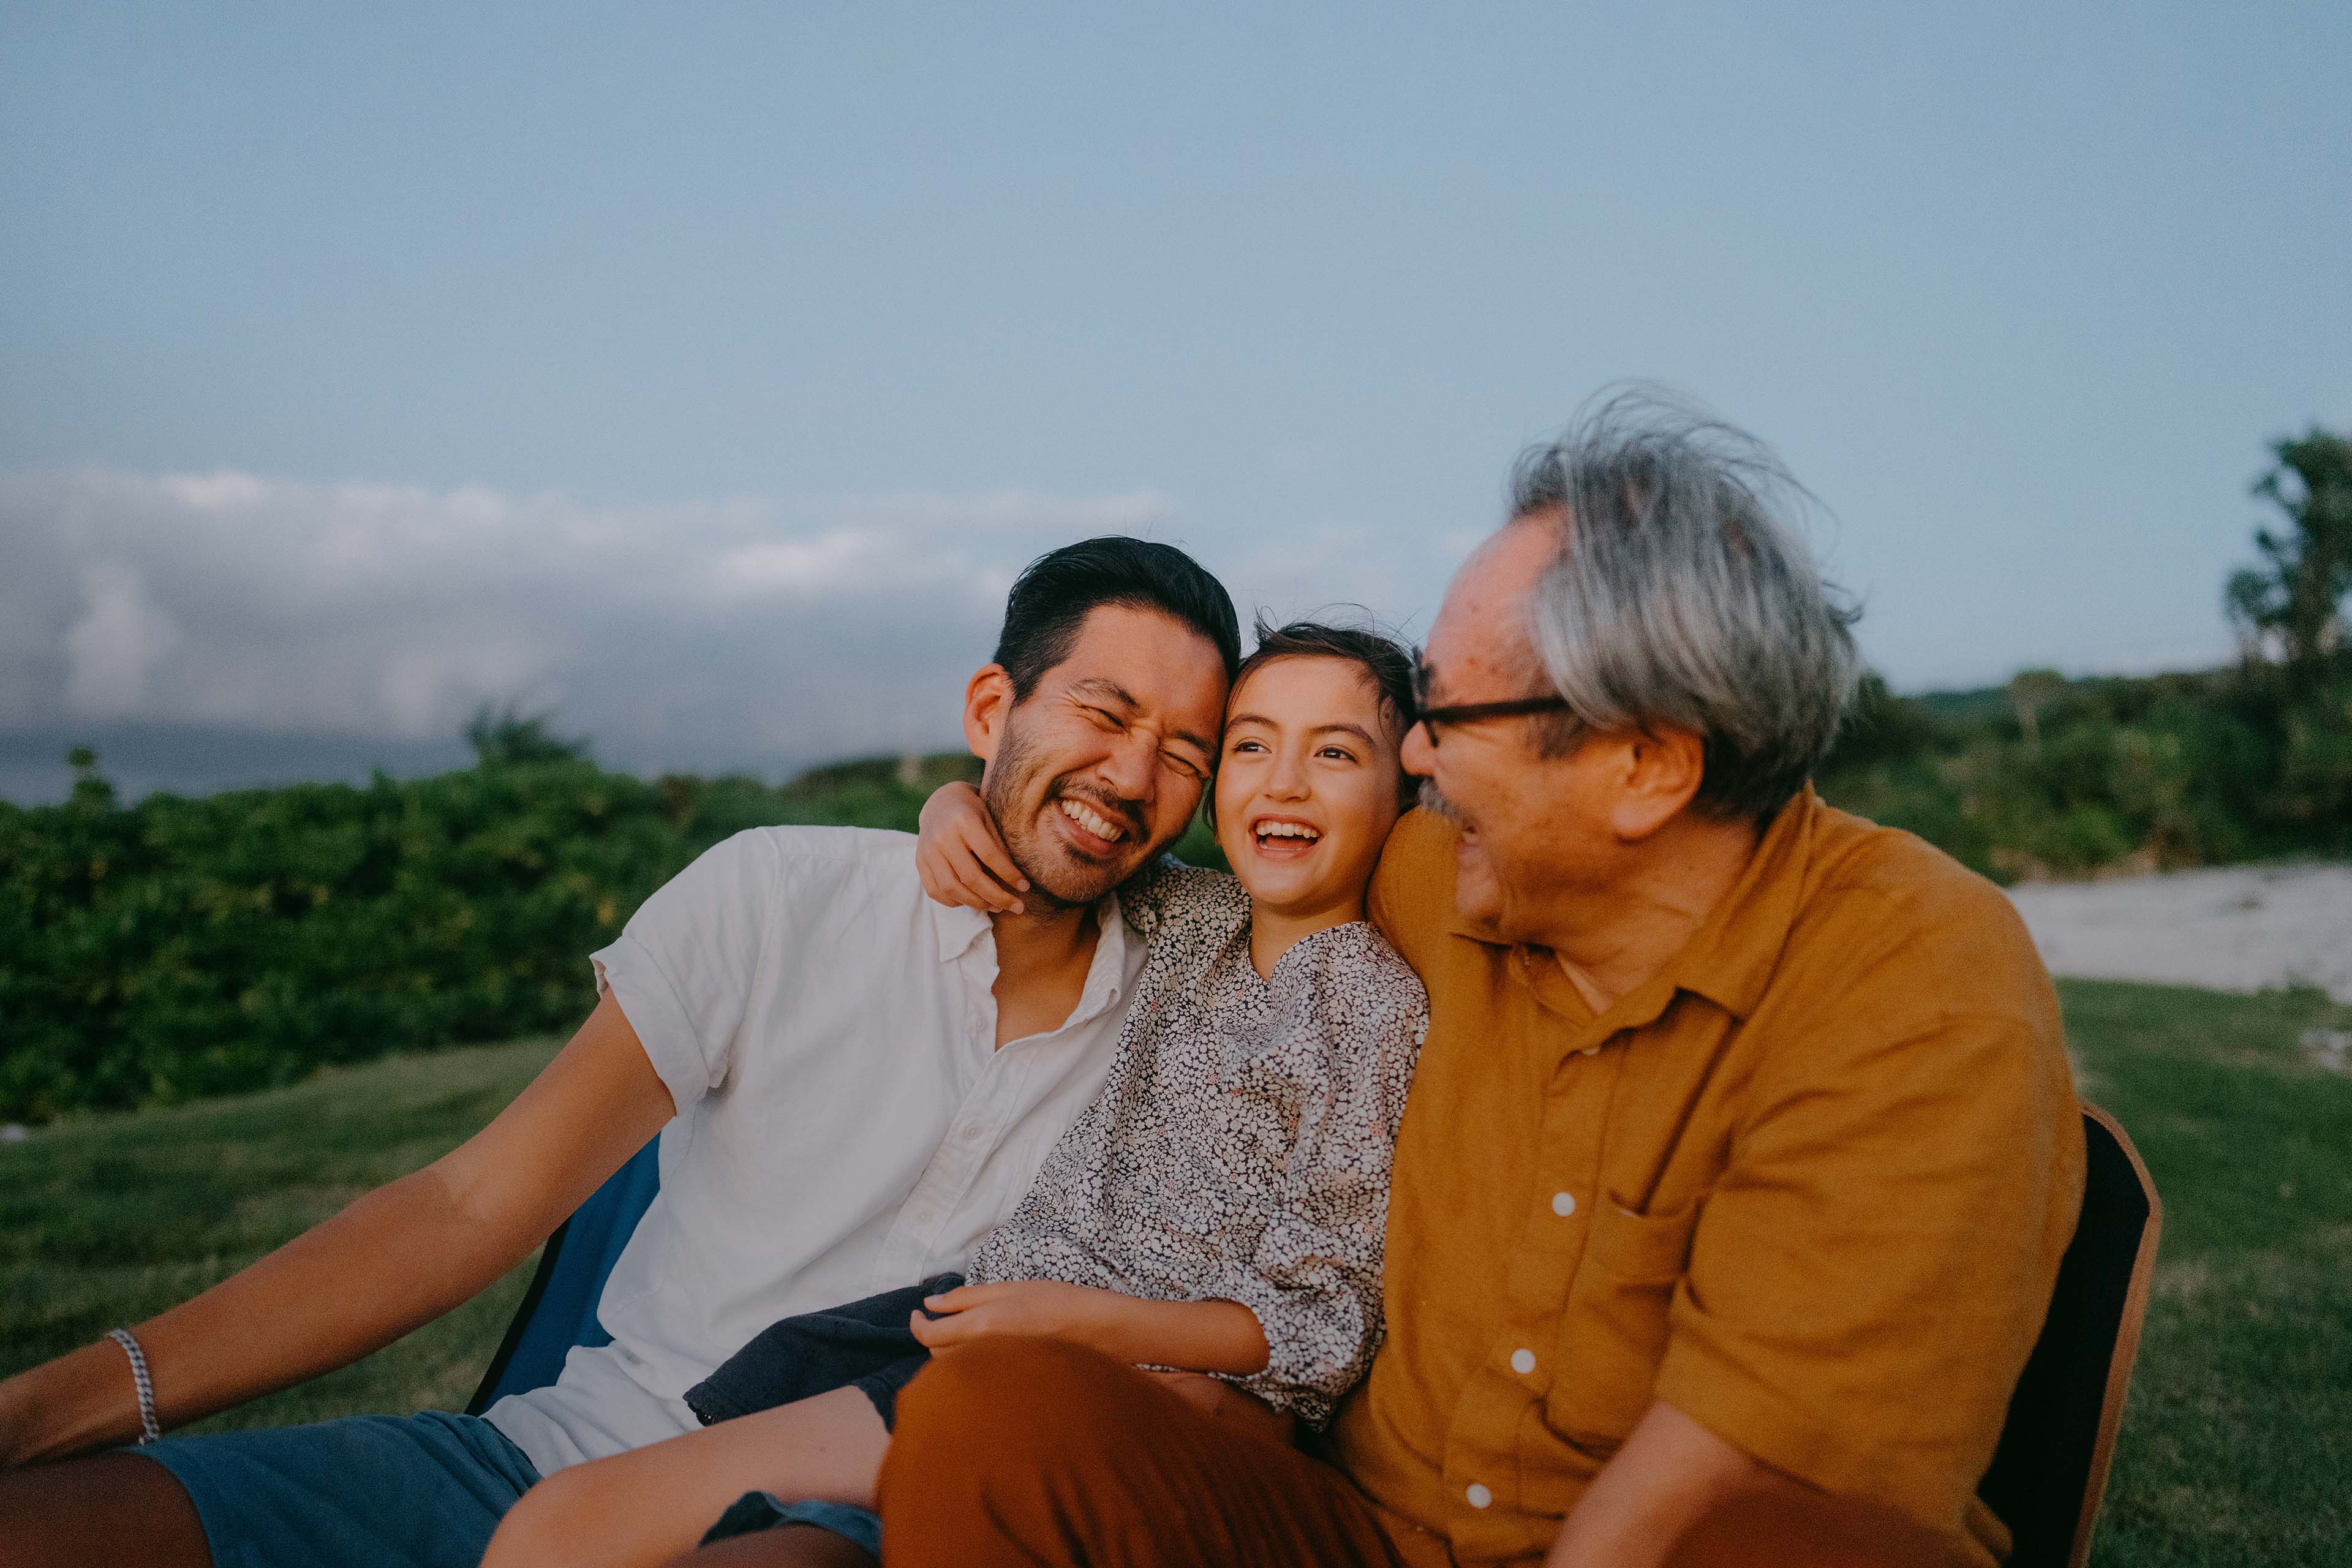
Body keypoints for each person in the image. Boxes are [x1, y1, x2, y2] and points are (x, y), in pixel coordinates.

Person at [858, 391, 2087, 1568]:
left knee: (1788, 1546)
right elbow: (1225, 847)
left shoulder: (1916, 980)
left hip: (1662, 1540)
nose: (1417, 756)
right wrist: (974, 794)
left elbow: (1725, 1475)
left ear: (1646, 764)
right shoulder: (1442, 868)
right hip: (1355, 1529)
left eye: (1448, 714)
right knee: (992, 1417)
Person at [0, 536, 1239, 1568]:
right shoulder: (777, 894)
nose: (1134, 773)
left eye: (1186, 752)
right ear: (991, 707)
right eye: (1103, 708)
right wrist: (42, 1409)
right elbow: (465, 1203)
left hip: (852, 1510)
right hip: (555, 1450)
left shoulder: (1215, 988)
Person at [473, 620, 1430, 1568]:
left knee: (573, 1530)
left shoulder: (1370, 1005)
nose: (1285, 780)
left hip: (1108, 1373)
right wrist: (948, 808)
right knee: (586, 1521)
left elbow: (1321, 1323)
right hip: (977, 1322)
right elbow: (1058, 832)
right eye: (1251, 745)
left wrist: (1074, 1321)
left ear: (1409, 784)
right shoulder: (1193, 918)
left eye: (1336, 752)